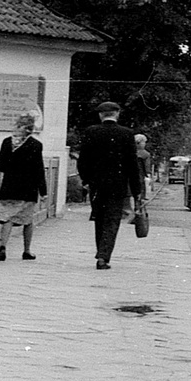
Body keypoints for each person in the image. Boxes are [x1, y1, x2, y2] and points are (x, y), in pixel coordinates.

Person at [76, 101, 142, 269]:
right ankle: (104, 256)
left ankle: (101, 252)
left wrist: (86, 180)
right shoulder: (127, 134)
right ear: (117, 114)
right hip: (118, 186)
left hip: (96, 185)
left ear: (100, 115)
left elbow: (83, 161)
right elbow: (132, 165)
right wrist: (137, 190)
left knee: (99, 219)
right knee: (112, 221)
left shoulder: (91, 132)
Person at [0, 113, 46, 261]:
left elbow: (1, 165)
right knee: (28, 220)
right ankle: (27, 250)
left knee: (7, 218)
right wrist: (43, 191)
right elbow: (39, 169)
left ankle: (3, 247)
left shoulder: (6, 142)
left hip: (9, 187)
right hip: (28, 189)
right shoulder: (36, 145)